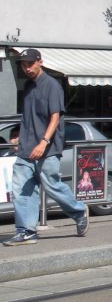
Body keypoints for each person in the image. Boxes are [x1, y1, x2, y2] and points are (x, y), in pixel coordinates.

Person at [5, 48, 89, 246]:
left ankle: (78, 211)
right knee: (21, 189)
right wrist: (20, 139)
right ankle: (26, 231)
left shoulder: (52, 85)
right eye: (23, 65)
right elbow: (28, 118)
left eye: (29, 64)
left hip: (47, 148)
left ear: (39, 62)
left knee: (52, 186)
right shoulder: (27, 87)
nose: (26, 68)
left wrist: (43, 142)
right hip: (26, 148)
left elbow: (55, 116)